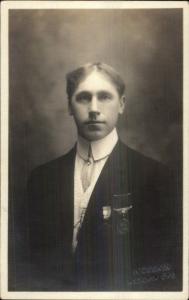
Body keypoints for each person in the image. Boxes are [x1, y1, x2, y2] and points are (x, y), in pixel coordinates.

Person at [26, 62, 182, 291]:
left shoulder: (156, 178)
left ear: (122, 104)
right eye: (83, 98)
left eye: (105, 97)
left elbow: (164, 270)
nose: (93, 108)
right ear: (69, 105)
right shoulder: (41, 179)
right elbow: (30, 265)